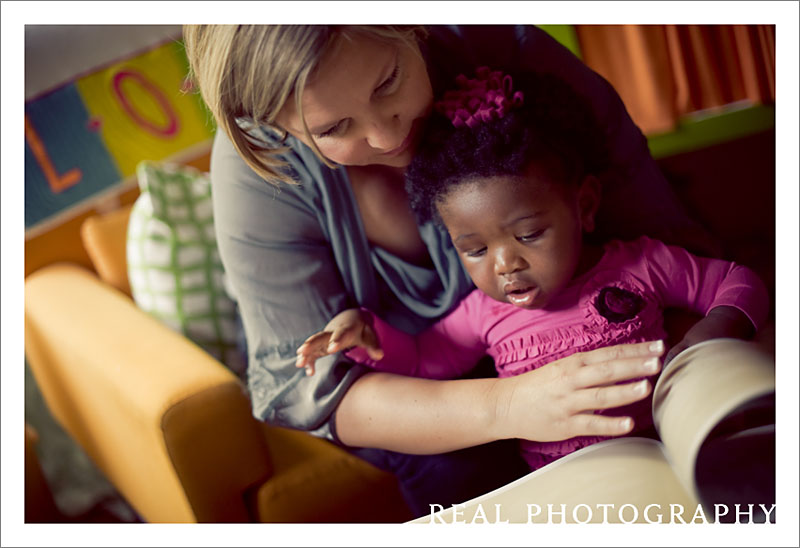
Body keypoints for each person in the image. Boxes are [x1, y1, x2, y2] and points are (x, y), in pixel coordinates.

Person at [182, 25, 717, 516]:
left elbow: (668, 246)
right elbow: (312, 389)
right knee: (455, 473)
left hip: (588, 343)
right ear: (273, 125)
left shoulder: (506, 51)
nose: (387, 136)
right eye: (334, 127)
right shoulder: (261, 168)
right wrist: (512, 404)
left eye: (389, 81)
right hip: (416, 409)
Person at [294, 68, 770, 471]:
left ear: (584, 205)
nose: (505, 263)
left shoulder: (640, 263)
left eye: (528, 235)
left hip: (675, 454)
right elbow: (423, 357)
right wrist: (367, 333)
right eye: (474, 249)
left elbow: (738, 280)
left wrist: (718, 326)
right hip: (564, 487)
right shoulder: (482, 313)